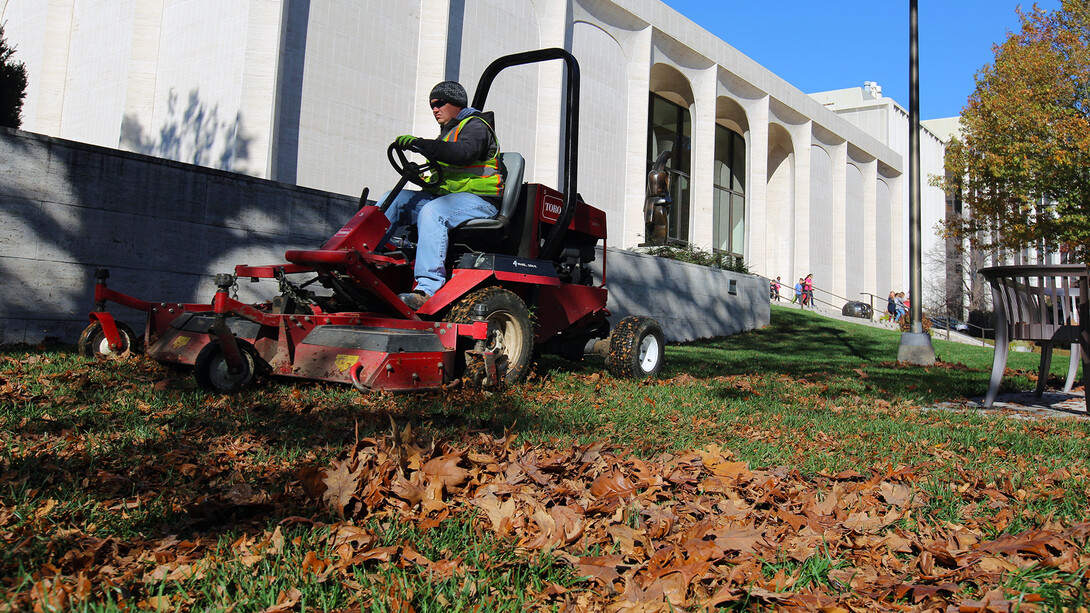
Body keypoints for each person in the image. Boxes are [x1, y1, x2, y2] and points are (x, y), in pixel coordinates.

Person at [379, 81, 503, 310]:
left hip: (481, 201)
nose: (435, 109)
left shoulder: (477, 126)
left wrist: (422, 144)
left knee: (432, 212)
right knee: (395, 199)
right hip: (450, 200)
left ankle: (426, 289)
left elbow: (463, 154)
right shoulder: (447, 133)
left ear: (456, 103)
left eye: (439, 103)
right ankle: (363, 257)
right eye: (431, 105)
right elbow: (445, 175)